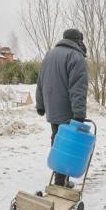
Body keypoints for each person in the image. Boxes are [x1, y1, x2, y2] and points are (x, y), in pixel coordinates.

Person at [36, 28, 88, 187]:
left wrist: (40, 104)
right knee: (67, 144)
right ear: (78, 41)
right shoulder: (75, 57)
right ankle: (61, 181)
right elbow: (78, 88)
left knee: (57, 140)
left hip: (53, 109)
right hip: (67, 110)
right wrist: (79, 114)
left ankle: (60, 177)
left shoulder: (49, 55)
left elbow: (40, 81)